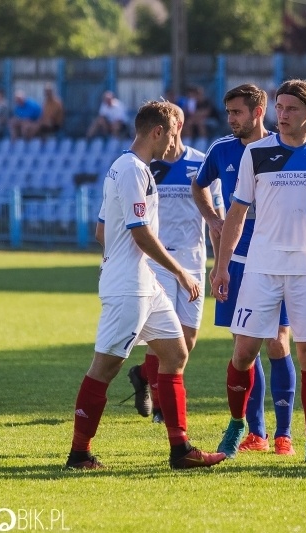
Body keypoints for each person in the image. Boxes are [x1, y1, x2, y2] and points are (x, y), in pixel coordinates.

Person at [65, 100, 225, 470]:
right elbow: (140, 233)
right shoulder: (134, 169)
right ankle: (79, 454)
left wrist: (121, 259)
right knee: (104, 367)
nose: (174, 142)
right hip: (131, 287)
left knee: (175, 354)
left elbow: (103, 231)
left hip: (143, 283)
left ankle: (181, 449)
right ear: (157, 132)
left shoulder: (132, 169)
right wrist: (181, 272)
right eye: (172, 134)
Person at [211, 79, 306, 465]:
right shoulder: (257, 153)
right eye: (280, 108)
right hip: (260, 268)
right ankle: (239, 425)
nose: (282, 115)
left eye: (291, 109)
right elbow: (236, 214)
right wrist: (222, 266)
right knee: (243, 352)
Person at [192, 84, 298, 456]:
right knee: (244, 349)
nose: (231, 120)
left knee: (278, 341)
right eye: (229, 113)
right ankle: (256, 432)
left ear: (258, 111)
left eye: (237, 112)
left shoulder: (281, 148)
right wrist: (212, 218)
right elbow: (199, 184)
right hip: (237, 262)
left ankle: (284, 434)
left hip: (277, 261)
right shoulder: (221, 149)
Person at [125, 103, 223, 424]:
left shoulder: (202, 164)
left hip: (193, 261)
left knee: (188, 339)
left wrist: (221, 263)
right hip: (158, 262)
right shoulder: (145, 168)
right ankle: (164, 410)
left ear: (178, 126)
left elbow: (217, 220)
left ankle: (142, 375)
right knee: (165, 338)